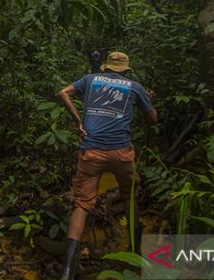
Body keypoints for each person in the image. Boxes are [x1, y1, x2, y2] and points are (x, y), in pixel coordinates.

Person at [57, 51, 158, 280]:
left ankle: (66, 272)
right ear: (126, 69)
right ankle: (135, 255)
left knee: (82, 204)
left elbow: (63, 93)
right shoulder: (135, 87)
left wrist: (79, 121)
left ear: (106, 67)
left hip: (91, 151)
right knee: (129, 196)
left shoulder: (90, 80)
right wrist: (147, 100)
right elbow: (152, 119)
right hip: (121, 153)